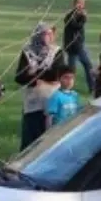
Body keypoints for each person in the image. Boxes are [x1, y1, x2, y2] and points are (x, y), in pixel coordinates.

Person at [15, 22, 66, 150]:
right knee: (30, 140)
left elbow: (56, 74)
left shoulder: (57, 52)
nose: (49, 37)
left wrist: (34, 73)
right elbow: (20, 77)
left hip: (52, 100)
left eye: (50, 33)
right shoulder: (27, 52)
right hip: (33, 103)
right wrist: (39, 76)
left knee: (49, 138)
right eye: (46, 33)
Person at [62, 0, 95, 94]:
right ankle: (91, 88)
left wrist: (82, 16)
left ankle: (68, 87)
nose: (81, 5)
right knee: (85, 65)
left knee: (73, 68)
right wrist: (84, 18)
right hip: (73, 45)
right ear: (74, 3)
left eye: (82, 3)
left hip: (77, 45)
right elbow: (76, 26)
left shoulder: (78, 14)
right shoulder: (70, 15)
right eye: (79, 3)